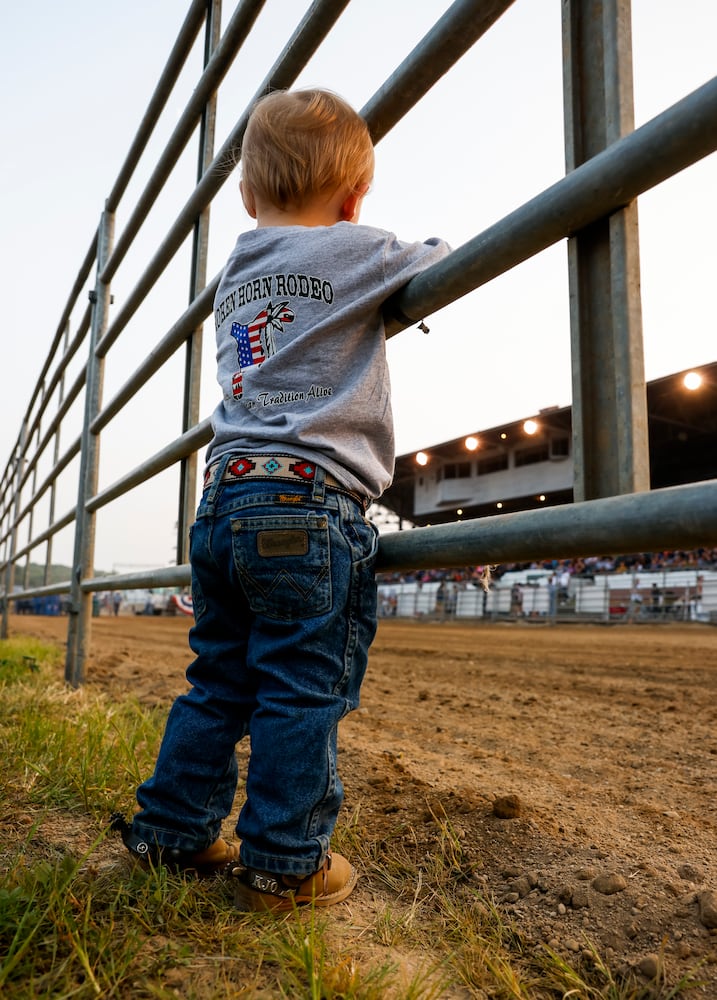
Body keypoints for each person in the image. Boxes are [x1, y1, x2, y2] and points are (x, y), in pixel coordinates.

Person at [111, 88, 450, 911]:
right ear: (354, 196)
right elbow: (440, 258)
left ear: (245, 196)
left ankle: (171, 832)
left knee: (218, 678)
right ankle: (284, 861)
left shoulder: (235, 270)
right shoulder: (358, 247)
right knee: (300, 686)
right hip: (307, 502)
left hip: (224, 497)